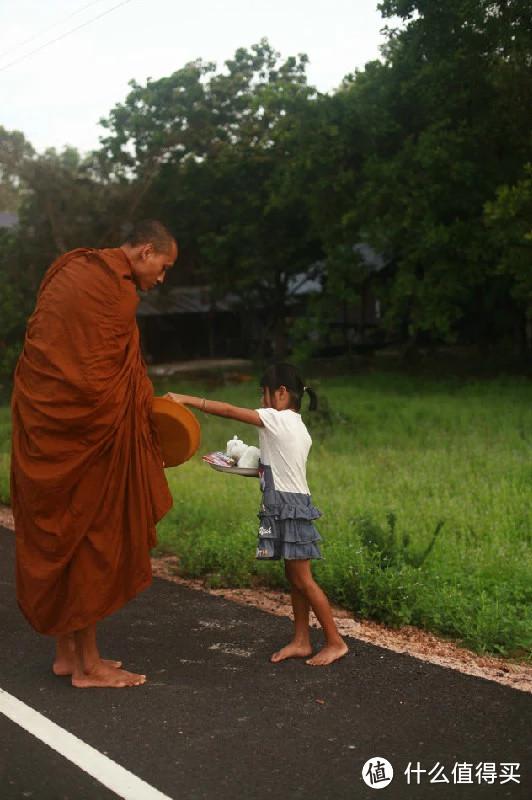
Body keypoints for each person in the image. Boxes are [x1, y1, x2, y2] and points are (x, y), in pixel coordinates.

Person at [11, 219, 178, 688]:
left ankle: (66, 654)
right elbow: (99, 384)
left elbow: (56, 359)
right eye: (163, 267)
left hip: (45, 430)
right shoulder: (118, 294)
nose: (162, 279)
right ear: (146, 252)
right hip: (89, 438)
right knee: (89, 538)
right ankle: (89, 667)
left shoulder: (70, 268)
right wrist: (144, 416)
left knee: (63, 532)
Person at [166, 363, 348, 666]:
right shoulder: (296, 425)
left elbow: (229, 410)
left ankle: (335, 641)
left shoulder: (275, 418)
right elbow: (277, 468)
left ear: (280, 393)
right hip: (288, 502)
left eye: (263, 394)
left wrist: (187, 400)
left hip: (289, 507)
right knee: (294, 576)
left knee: (304, 579)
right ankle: (302, 640)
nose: (261, 401)